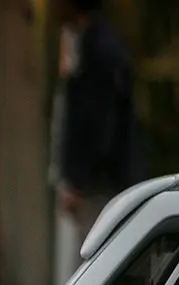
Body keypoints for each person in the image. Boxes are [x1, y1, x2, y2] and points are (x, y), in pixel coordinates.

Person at [53, 0, 138, 263]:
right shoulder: (101, 45)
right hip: (106, 176)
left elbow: (94, 120)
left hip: (98, 181)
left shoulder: (95, 51)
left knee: (98, 257)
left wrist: (77, 179)